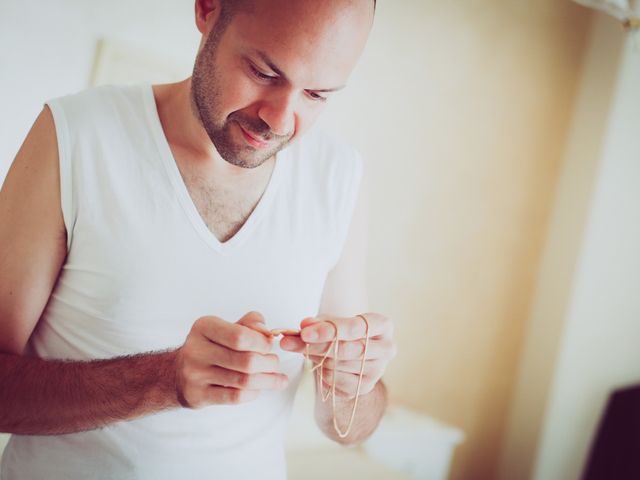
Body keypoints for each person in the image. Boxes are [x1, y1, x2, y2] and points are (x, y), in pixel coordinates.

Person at [0, 0, 396, 478]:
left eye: (316, 95)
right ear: (208, 9)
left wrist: (354, 386)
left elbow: (350, 428)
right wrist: (163, 381)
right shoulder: (77, 135)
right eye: (264, 72)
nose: (279, 119)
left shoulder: (339, 179)